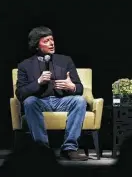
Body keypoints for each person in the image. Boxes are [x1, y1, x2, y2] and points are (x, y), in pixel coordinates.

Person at [16, 26, 88, 161]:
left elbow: (80, 88)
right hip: (39, 102)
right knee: (29, 101)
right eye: (46, 40)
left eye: (52, 40)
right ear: (37, 44)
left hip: (61, 101)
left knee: (80, 100)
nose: (51, 43)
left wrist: (71, 87)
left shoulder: (65, 60)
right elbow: (20, 93)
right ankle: (42, 149)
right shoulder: (25, 65)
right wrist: (38, 81)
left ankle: (69, 148)